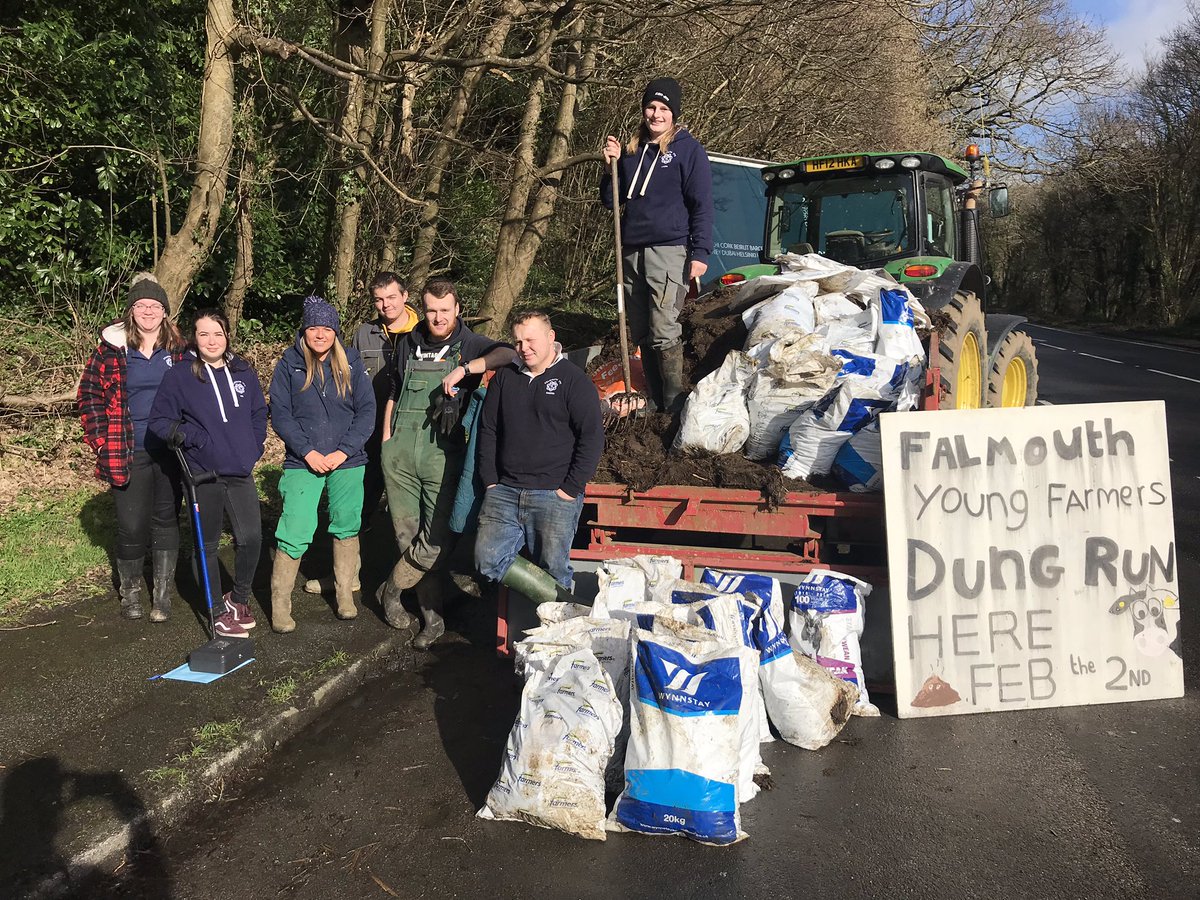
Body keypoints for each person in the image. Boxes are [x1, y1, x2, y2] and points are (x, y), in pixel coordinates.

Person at [378, 278, 516, 649]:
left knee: (436, 539)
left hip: (441, 455)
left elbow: (510, 354)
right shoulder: (408, 341)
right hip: (400, 454)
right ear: (423, 309)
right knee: (407, 536)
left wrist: (466, 369)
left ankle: (391, 589)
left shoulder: (468, 343)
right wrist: (386, 439)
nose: (438, 318)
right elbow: (393, 388)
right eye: (431, 310)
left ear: (457, 309)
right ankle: (433, 617)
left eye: (445, 310)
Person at [149, 309, 267, 639]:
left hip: (240, 470)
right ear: (194, 338)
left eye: (217, 334)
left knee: (251, 538)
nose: (211, 341)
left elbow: (258, 412)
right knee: (208, 545)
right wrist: (193, 438)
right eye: (204, 334)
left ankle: (238, 599)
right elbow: (159, 421)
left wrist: (253, 448)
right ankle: (215, 608)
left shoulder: (243, 370)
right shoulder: (181, 375)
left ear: (227, 335)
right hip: (203, 473)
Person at [600, 76, 714, 412]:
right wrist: (611, 167)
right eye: (651, 106)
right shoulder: (631, 151)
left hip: (668, 251)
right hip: (631, 250)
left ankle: (672, 405)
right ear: (643, 109)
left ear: (674, 113)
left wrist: (700, 252)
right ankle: (652, 400)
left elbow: (702, 204)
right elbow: (610, 200)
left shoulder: (688, 151)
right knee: (642, 331)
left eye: (664, 108)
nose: (656, 114)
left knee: (664, 329)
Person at [474, 311, 604, 599]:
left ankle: (560, 631)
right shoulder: (505, 378)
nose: (524, 348)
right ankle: (560, 607)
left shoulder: (574, 381)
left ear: (550, 337)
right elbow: (489, 430)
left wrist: (570, 489)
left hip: (553, 494)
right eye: (518, 342)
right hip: (504, 491)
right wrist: (490, 480)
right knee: (487, 560)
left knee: (554, 571)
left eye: (530, 340)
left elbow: (592, 437)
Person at [302, 272, 418, 595]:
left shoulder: (423, 335)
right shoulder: (364, 334)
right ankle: (346, 577)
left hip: (407, 437)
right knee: (356, 509)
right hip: (366, 436)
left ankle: (412, 586)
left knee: (408, 514)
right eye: (379, 300)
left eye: (391, 297)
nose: (385, 305)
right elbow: (344, 381)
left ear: (405, 296)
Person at [77, 273, 185, 621]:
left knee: (166, 519)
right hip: (127, 448)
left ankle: (163, 595)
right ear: (131, 310)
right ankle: (131, 592)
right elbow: (89, 395)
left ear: (165, 311)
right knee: (131, 524)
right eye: (141, 305)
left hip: (170, 450)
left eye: (155, 305)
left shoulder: (180, 350)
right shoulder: (111, 350)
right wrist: (99, 439)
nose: (148, 311)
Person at [268, 297, 375, 632]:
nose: (320, 334)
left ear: (335, 332)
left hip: (348, 459)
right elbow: (281, 415)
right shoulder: (289, 364)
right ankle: (280, 606)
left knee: (346, 525)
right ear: (305, 330)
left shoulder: (352, 362)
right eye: (313, 327)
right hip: (303, 460)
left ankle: (345, 594)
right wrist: (307, 451)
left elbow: (367, 411)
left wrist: (343, 451)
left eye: (326, 328)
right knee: (295, 530)